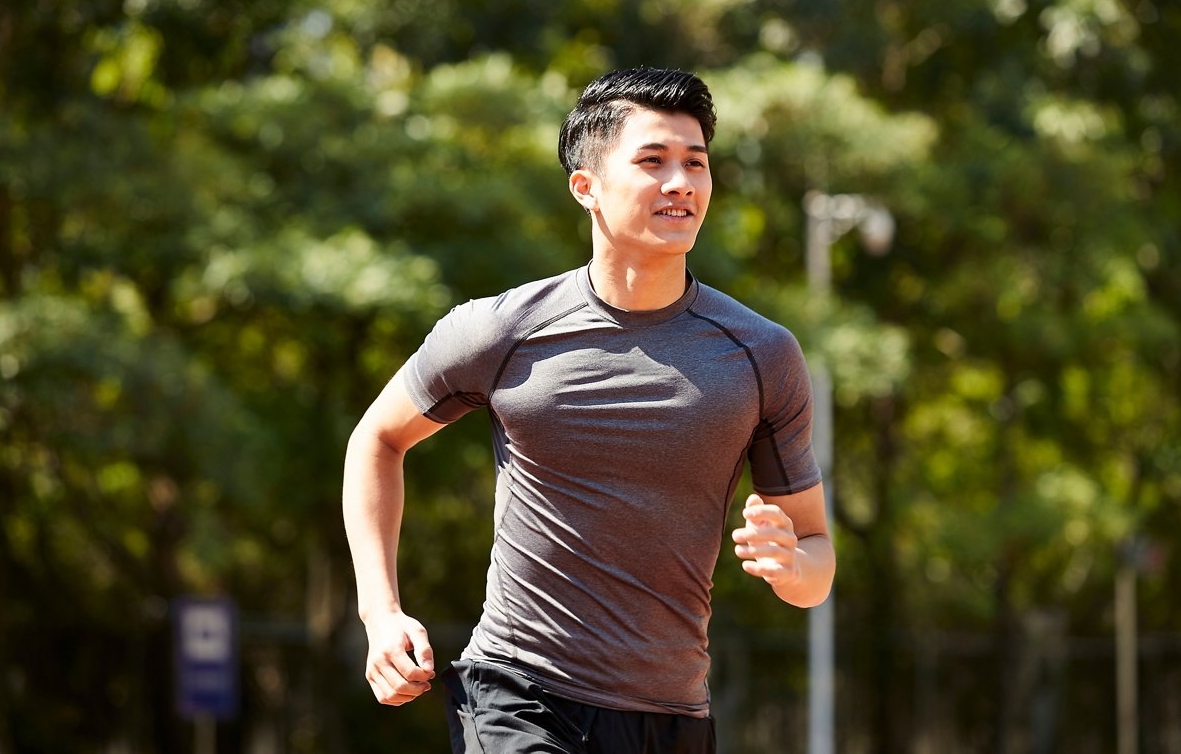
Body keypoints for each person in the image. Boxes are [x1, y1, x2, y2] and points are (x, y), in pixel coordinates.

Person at [342, 67, 834, 753]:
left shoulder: (761, 355)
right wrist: (380, 612)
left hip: (671, 716)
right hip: (518, 692)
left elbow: (816, 560)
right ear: (587, 187)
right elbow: (378, 438)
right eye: (652, 161)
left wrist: (792, 566)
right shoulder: (500, 331)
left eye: (696, 164)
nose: (681, 184)